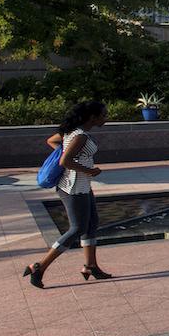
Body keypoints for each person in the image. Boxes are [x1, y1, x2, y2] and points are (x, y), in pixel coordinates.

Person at [23, 100, 111, 288]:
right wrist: (89, 170)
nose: (106, 118)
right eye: (103, 115)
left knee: (91, 223)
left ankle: (90, 266)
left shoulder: (73, 133)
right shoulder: (79, 136)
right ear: (93, 117)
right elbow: (65, 161)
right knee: (77, 228)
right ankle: (39, 267)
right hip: (73, 188)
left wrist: (75, 158)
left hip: (81, 186)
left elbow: (53, 142)